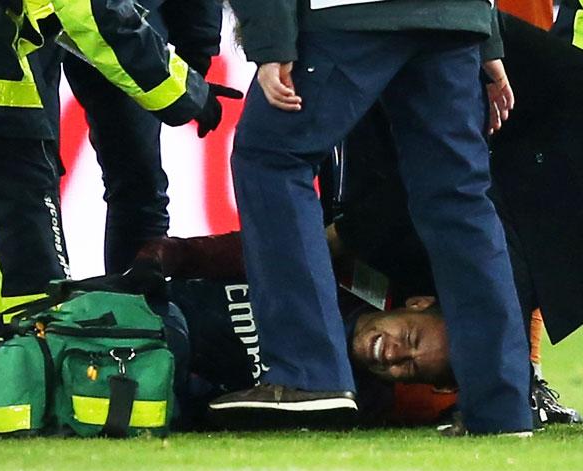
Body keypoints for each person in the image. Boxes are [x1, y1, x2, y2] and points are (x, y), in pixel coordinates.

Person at [217, 0, 533, 436]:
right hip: (456, 18)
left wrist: (271, 43)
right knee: (459, 201)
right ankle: (500, 409)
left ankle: (309, 375)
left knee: (271, 159)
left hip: (348, 13)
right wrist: (486, 34)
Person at [0, 0, 241, 337]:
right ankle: (32, 376)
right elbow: (91, 11)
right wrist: (187, 89)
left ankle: (129, 331)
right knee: (29, 267)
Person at [63, 0, 224, 273]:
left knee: (137, 188)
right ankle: (136, 307)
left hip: (28, 24)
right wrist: (196, 56)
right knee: (138, 188)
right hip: (113, 19)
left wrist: (195, 60)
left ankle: (134, 305)